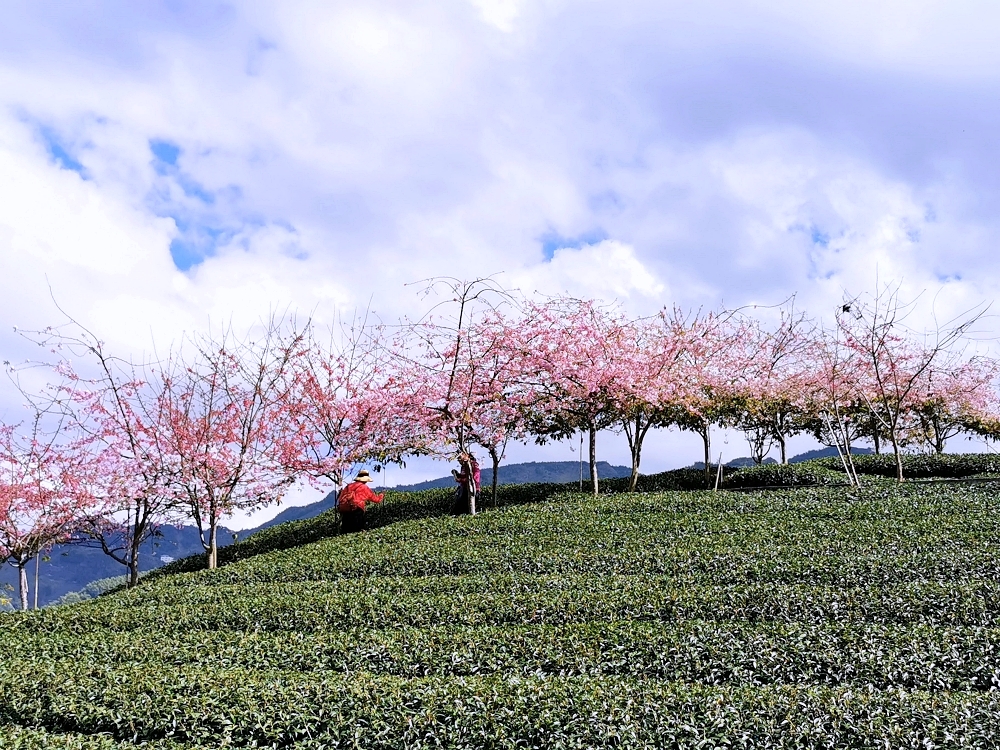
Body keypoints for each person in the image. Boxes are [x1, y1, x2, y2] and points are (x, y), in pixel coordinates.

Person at [450, 451, 481, 516]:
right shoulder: (463, 466)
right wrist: (457, 474)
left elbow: (473, 478)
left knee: (466, 510)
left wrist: (460, 480)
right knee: (457, 510)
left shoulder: (474, 465)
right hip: (463, 489)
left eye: (460, 459)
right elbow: (463, 475)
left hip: (472, 489)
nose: (459, 461)